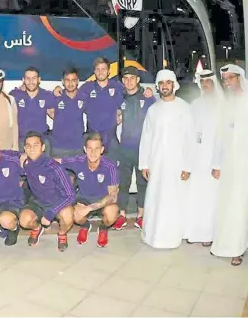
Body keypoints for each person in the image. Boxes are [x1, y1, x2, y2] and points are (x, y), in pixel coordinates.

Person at [139, 69, 196, 249]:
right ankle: (153, 236)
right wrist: (144, 164)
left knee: (174, 199)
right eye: (161, 83)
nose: (164, 86)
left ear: (174, 85)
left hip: (177, 163)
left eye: (168, 83)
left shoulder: (184, 108)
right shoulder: (153, 109)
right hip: (156, 162)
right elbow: (146, 137)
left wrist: (188, 165)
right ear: (158, 86)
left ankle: (172, 236)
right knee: (155, 198)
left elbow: (190, 138)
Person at [211, 64, 248, 266]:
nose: (227, 83)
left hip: (246, 164)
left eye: (230, 79)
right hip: (229, 164)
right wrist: (216, 163)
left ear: (240, 78)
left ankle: (240, 246)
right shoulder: (226, 104)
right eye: (224, 80)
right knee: (232, 205)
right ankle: (234, 246)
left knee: (243, 205)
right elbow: (220, 136)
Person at [55, 133, 119, 248]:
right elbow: (57, 161)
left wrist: (89, 208)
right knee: (74, 214)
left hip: (102, 201)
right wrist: (32, 159)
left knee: (112, 212)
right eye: (90, 148)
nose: (93, 152)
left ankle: (103, 228)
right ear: (85, 149)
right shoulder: (78, 160)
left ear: (102, 150)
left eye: (96, 148)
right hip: (83, 199)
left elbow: (113, 196)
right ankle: (85, 226)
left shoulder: (110, 166)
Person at [113, 66, 156, 230]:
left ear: (138, 80)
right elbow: (116, 115)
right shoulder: (120, 98)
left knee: (142, 183)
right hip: (125, 148)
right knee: (123, 182)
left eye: (132, 78)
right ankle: (121, 215)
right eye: (125, 78)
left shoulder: (148, 98)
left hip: (143, 149)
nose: (129, 81)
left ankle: (141, 215)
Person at [184, 70, 223, 247]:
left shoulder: (222, 105)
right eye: (203, 82)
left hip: (212, 160)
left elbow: (222, 138)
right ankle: (194, 232)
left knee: (211, 198)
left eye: (209, 82)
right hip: (196, 158)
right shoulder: (195, 105)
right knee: (195, 195)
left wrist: (217, 164)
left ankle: (209, 234)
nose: (206, 85)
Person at [18, 131, 75, 252]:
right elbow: (5, 155)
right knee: (24, 220)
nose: (32, 149)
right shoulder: (26, 164)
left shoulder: (55, 167)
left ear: (43, 147)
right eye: (28, 146)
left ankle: (62, 234)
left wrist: (51, 213)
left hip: (58, 202)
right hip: (38, 202)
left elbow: (70, 195)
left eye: (36, 145)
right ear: (25, 149)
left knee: (68, 216)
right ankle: (37, 228)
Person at [76, 57, 124, 154]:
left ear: (109, 71)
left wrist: (120, 113)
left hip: (111, 138)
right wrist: (58, 90)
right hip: (92, 138)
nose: (100, 72)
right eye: (98, 69)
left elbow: (132, 96)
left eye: (103, 69)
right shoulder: (87, 87)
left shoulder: (117, 86)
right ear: (94, 71)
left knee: (113, 168)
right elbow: (73, 98)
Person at [9, 66, 56, 153]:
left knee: (44, 166)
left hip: (42, 140)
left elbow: (55, 116)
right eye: (28, 78)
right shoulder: (15, 95)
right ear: (23, 80)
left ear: (39, 80)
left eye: (34, 78)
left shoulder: (47, 95)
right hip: (22, 142)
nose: (31, 82)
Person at [50, 67, 85, 158]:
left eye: (73, 80)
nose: (70, 83)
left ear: (77, 81)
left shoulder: (84, 96)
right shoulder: (56, 96)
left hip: (78, 148)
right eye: (67, 80)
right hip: (58, 148)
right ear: (62, 81)